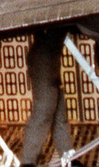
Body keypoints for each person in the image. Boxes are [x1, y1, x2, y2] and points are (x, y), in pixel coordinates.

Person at [20, 29, 72, 167]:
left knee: (59, 113)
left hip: (51, 60)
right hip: (43, 60)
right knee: (44, 110)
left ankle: (68, 156)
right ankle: (27, 161)